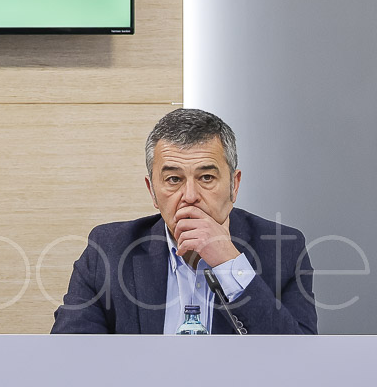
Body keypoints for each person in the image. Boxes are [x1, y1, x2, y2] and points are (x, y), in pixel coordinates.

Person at [51, 108, 316, 334]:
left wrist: (230, 264)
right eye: (174, 179)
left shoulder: (283, 248)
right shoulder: (108, 250)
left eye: (206, 178)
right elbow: (70, 356)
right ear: (152, 192)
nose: (190, 196)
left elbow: (300, 360)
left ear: (234, 185)